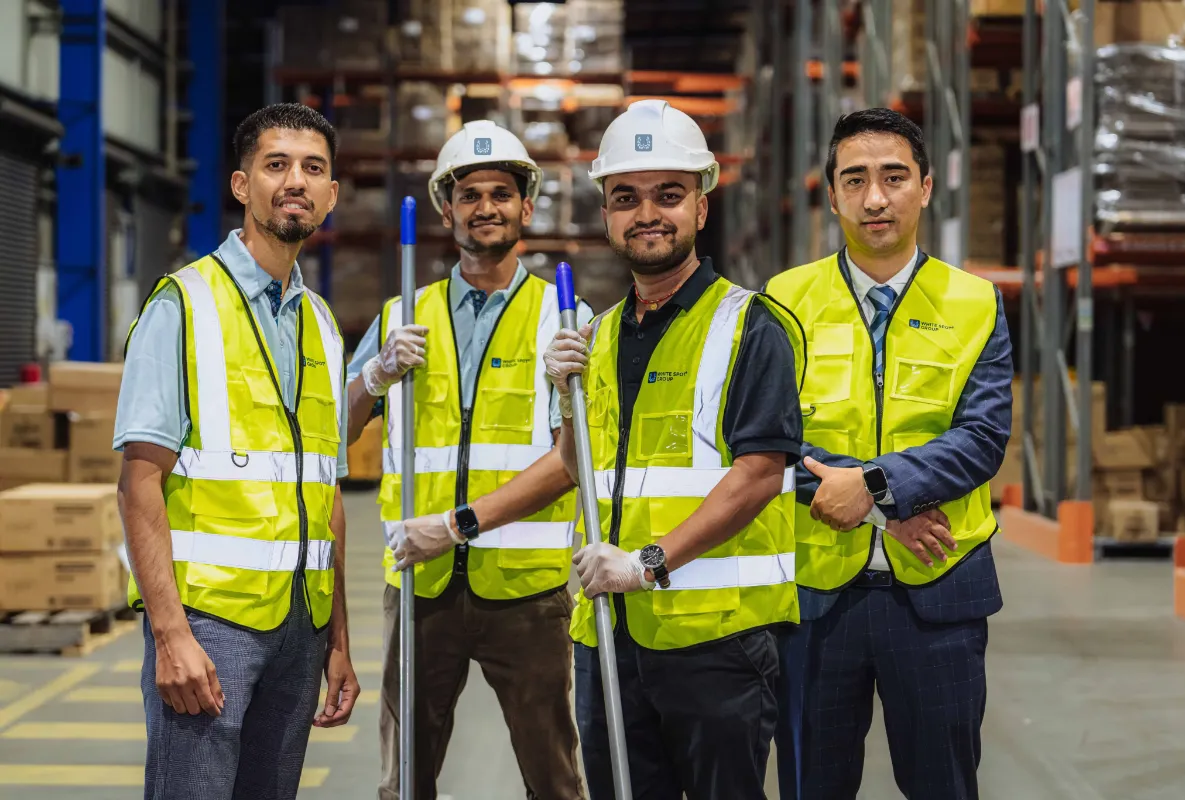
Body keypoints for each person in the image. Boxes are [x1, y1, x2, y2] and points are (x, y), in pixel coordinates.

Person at [543, 99, 806, 800]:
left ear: (700, 205)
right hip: (610, 632)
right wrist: (560, 391)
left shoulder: (749, 326)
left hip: (716, 644)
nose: (646, 213)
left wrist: (646, 562)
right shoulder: (595, 334)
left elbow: (758, 475)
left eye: (668, 195)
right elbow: (578, 467)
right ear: (605, 212)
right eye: (625, 198)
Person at [764, 108, 1013, 800]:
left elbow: (981, 436)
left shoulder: (974, 302)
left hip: (940, 591)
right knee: (811, 783)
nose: (875, 198)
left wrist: (873, 486)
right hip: (814, 596)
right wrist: (882, 511)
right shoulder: (783, 301)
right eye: (856, 179)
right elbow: (765, 436)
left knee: (943, 785)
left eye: (893, 177)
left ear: (926, 187)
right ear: (832, 191)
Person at [114, 103, 361, 800]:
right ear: (240, 185)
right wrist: (170, 636)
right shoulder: (183, 304)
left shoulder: (320, 323)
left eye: (313, 168)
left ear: (331, 195)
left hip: (299, 628)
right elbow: (139, 485)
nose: (296, 181)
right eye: (275, 164)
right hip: (211, 627)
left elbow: (327, 494)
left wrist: (337, 641)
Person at [343, 120, 593, 800]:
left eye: (502, 193)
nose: (486, 206)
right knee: (406, 780)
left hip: (527, 594)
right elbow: (332, 431)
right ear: (445, 208)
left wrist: (454, 524)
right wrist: (375, 375)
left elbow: (572, 463)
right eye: (471, 193)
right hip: (418, 587)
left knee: (554, 777)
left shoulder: (566, 319)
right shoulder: (404, 313)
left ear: (526, 207)